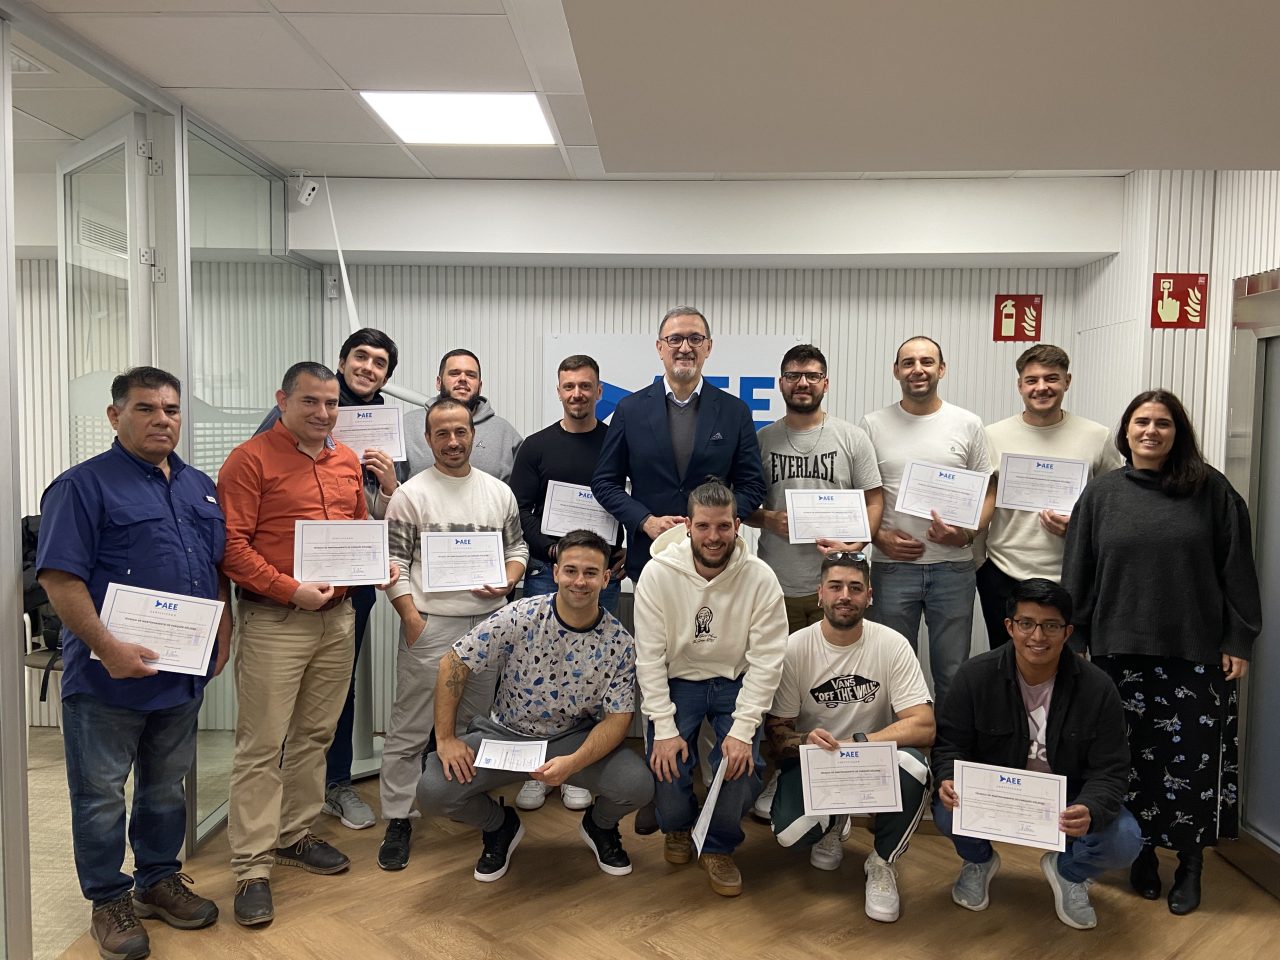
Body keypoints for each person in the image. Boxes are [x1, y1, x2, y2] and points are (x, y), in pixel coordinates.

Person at [37, 367, 228, 960]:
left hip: (180, 674)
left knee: (165, 788)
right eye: (146, 408)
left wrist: (222, 633)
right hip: (106, 678)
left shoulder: (199, 487)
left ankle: (157, 880)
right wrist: (108, 646)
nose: (162, 419)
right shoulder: (82, 486)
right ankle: (108, 900)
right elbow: (59, 578)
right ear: (115, 416)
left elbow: (216, 570)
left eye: (171, 409)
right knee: (100, 796)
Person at [1062, 389, 1261, 916]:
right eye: (1142, 422)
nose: (1151, 431)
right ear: (1126, 432)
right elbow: (1078, 572)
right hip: (1116, 654)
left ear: (1178, 433)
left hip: (1193, 654)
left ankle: (1190, 862)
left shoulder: (1211, 490)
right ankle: (1143, 853)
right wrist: (1075, 640)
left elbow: (1237, 569)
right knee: (1127, 762)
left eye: (1163, 423)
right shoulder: (1101, 495)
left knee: (1191, 764)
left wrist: (1238, 639)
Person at [218, 362, 396, 927]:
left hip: (338, 619)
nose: (323, 413)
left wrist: (377, 565)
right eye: (310, 402)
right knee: (261, 745)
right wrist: (288, 589)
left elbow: (358, 528)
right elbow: (231, 547)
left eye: (331, 403)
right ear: (283, 400)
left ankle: (294, 834)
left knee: (315, 736)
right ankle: (252, 866)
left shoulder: (345, 460)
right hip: (276, 620)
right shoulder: (249, 460)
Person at [418, 529, 653, 882]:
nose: (579, 581)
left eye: (590, 573)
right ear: (555, 572)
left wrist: (574, 762)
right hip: (505, 735)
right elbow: (454, 662)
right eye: (570, 570)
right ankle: (500, 825)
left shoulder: (619, 642)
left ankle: (600, 825)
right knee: (433, 790)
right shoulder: (521, 615)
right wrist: (446, 739)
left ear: (606, 579)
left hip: (571, 737)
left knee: (638, 785)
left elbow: (619, 719)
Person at [257, 327, 406, 832]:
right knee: (282, 697)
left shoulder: (388, 427)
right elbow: (264, 490)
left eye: (380, 362)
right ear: (342, 362)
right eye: (360, 357)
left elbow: (382, 513)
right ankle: (280, 797)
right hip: (287, 586)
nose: (368, 367)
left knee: (336, 689)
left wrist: (390, 484)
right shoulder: (294, 415)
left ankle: (335, 783)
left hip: (351, 581)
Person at [932, 578, 1142, 931]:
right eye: (1026, 623)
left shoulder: (1097, 687)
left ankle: (1068, 871)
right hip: (997, 793)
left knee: (1124, 840)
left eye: (1051, 626)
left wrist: (1090, 807)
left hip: (1068, 799)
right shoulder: (974, 676)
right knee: (946, 810)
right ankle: (978, 861)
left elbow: (1111, 768)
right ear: (1009, 627)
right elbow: (950, 744)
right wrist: (948, 778)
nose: (1038, 636)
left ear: (1068, 632)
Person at [377, 397, 528, 872]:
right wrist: (411, 619)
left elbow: (518, 549)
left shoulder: (498, 493)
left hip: (487, 626)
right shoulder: (410, 495)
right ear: (428, 439)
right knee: (411, 726)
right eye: (441, 433)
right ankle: (399, 817)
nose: (452, 441)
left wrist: (507, 581)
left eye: (460, 431)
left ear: (473, 435)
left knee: (476, 725)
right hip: (432, 625)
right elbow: (394, 563)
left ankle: (473, 807)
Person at [634, 477, 788, 897]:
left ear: (738, 525)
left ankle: (718, 846)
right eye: (703, 526)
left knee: (739, 764)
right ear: (688, 526)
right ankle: (678, 826)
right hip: (678, 679)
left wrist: (743, 730)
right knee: (665, 762)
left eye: (723, 526)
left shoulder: (760, 577)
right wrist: (663, 729)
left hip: (734, 679)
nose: (714, 536)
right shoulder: (658, 574)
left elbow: (767, 660)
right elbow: (649, 658)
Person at [763, 553, 934, 923]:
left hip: (871, 761)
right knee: (790, 834)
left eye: (855, 588)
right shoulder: (794, 647)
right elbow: (776, 737)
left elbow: (924, 725)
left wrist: (860, 744)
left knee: (916, 767)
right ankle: (833, 822)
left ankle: (882, 862)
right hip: (816, 763)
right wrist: (806, 740)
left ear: (869, 596)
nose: (845, 595)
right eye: (836, 586)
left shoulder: (892, 644)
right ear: (820, 593)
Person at [508, 354, 626, 814]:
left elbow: (630, 504)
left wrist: (625, 551)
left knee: (593, 673)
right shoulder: (536, 446)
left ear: (599, 392)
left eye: (585, 386)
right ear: (559, 391)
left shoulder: (618, 443)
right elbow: (520, 511)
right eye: (569, 386)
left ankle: (576, 768)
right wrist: (554, 551)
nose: (577, 394)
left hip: (600, 578)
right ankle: (535, 770)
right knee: (537, 672)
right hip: (548, 574)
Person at [859, 336, 992, 707]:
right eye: (908, 362)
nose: (917, 369)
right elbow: (861, 494)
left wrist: (966, 535)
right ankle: (899, 742)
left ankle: (948, 744)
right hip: (892, 568)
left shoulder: (967, 423)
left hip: (953, 569)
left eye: (927, 362)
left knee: (952, 673)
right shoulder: (872, 425)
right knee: (891, 672)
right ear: (896, 371)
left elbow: (987, 492)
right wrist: (878, 537)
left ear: (941, 369)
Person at [592, 306, 767, 585]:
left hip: (717, 562)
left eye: (695, 339)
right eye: (675, 339)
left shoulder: (735, 412)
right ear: (660, 347)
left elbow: (753, 485)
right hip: (651, 559)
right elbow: (604, 482)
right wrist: (645, 521)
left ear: (708, 347)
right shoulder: (630, 410)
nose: (685, 348)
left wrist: (715, 524)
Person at [979, 344, 1120, 648]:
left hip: (1072, 576)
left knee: (1068, 665)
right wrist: (978, 566)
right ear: (1020, 385)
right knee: (1005, 664)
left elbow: (1114, 507)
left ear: (1067, 381)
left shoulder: (1097, 436)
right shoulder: (991, 436)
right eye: (1032, 380)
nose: (1041, 387)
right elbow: (981, 502)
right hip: (1004, 572)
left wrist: (1079, 528)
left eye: (1051, 378)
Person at [750, 344, 884, 630]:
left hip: (839, 582)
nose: (802, 383)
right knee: (782, 658)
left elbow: (874, 501)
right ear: (781, 383)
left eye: (812, 376)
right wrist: (768, 518)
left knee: (837, 658)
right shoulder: (761, 440)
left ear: (826, 383)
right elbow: (742, 507)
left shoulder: (853, 438)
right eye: (793, 375)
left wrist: (856, 545)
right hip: (777, 583)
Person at [403, 348, 523, 483]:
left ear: (480, 386)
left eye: (471, 375)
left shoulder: (505, 433)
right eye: (454, 373)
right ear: (438, 382)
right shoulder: (407, 426)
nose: (463, 379)